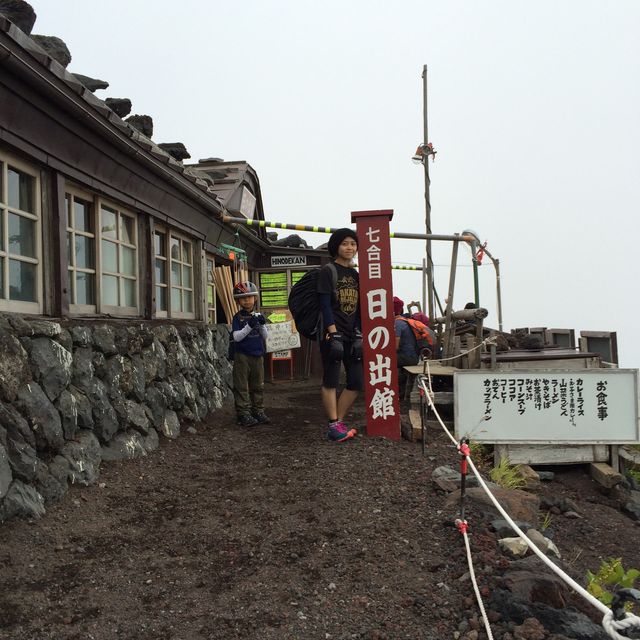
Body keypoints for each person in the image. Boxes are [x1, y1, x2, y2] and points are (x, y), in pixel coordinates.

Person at [318, 228, 363, 443]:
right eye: (345, 243)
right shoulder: (328, 270)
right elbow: (325, 305)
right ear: (336, 246)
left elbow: (360, 308)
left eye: (353, 244)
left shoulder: (356, 275)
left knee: (356, 381)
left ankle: (337, 423)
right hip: (332, 334)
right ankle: (334, 425)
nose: (349, 248)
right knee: (331, 380)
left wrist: (359, 334)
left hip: (351, 334)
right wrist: (333, 333)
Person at [231, 281, 270, 427]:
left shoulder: (258, 315)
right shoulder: (237, 317)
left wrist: (261, 324)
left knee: (258, 384)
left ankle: (258, 410)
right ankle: (243, 413)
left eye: (250, 297)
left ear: (255, 298)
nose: (247, 300)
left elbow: (265, 336)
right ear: (238, 301)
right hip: (242, 355)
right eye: (243, 298)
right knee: (241, 385)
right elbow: (236, 337)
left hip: (258, 354)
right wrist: (249, 325)